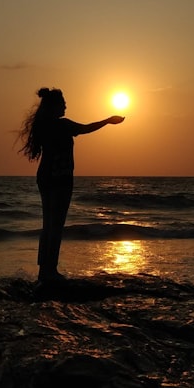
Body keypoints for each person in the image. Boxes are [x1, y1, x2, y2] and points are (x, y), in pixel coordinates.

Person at [18, 87, 125, 283]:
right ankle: (50, 272)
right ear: (54, 106)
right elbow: (85, 128)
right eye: (63, 102)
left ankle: (44, 270)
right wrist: (108, 121)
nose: (66, 105)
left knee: (48, 225)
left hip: (45, 177)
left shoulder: (42, 125)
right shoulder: (62, 125)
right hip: (60, 178)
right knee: (56, 226)